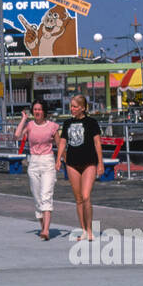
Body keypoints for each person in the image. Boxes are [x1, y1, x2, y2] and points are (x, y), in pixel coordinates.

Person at [57, 95, 103, 241]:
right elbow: (63, 142)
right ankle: (83, 230)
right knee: (78, 199)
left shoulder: (91, 122)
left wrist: (100, 163)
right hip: (72, 162)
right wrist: (58, 159)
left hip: (89, 161)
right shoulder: (67, 123)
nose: (72, 109)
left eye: (75, 106)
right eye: (71, 106)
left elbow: (97, 143)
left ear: (83, 108)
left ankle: (90, 230)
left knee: (86, 196)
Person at [16, 101, 62, 240]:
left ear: (44, 111)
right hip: (34, 162)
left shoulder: (52, 126)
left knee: (46, 195)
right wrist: (24, 119)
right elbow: (17, 136)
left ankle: (46, 230)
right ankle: (43, 227)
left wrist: (60, 160)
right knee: (37, 198)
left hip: (48, 161)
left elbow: (60, 144)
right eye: (35, 109)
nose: (37, 112)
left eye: (39, 109)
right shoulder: (30, 125)